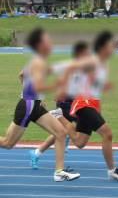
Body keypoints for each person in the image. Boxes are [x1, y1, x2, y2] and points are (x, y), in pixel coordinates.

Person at [0, 28, 80, 182]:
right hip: (28, 106)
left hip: (34, 105)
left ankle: (59, 172)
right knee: (8, 143)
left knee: (61, 133)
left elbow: (21, 75)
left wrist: (34, 95)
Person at [57, 31, 118, 181]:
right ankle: (112, 171)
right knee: (107, 133)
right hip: (84, 102)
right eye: (111, 45)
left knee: (80, 142)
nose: (114, 48)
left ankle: (58, 116)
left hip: (93, 103)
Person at [29, 41, 90, 170]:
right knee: (73, 127)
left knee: (61, 131)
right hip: (66, 103)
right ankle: (61, 140)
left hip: (73, 103)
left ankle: (37, 152)